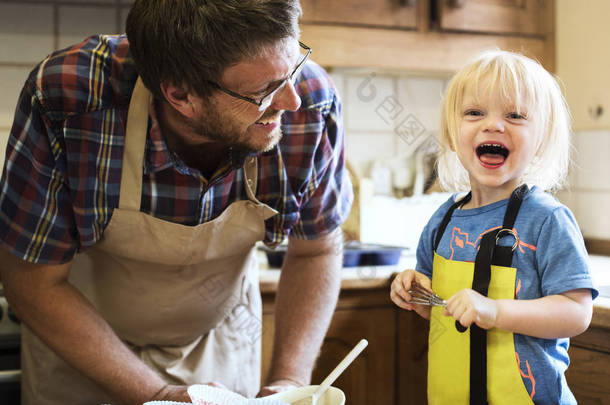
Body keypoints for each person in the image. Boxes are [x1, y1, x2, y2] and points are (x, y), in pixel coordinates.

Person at [0, 1, 353, 404]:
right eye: (264, 91)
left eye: (293, 68)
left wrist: (290, 382)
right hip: (80, 353)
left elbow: (316, 251)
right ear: (180, 94)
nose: (291, 100)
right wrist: (159, 394)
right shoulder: (69, 100)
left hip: (217, 348)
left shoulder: (310, 104)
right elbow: (31, 282)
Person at [390, 50, 598, 405]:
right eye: (474, 113)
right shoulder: (443, 219)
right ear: (453, 136)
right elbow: (437, 304)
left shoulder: (547, 220)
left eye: (515, 115)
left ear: (542, 139)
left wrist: (495, 311)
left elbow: (576, 312)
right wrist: (416, 291)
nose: (493, 125)